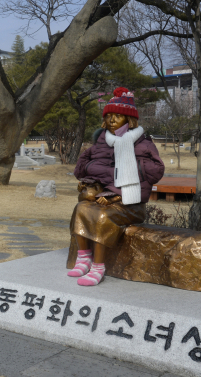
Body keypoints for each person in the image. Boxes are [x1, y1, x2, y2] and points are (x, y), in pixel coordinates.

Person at [68, 87, 164, 286]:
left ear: (129, 120)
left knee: (102, 217)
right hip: (103, 197)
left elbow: (154, 173)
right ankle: (84, 257)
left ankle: (98, 266)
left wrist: (117, 192)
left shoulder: (143, 143)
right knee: (81, 208)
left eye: (118, 116)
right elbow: (83, 167)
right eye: (109, 115)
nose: (112, 120)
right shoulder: (103, 141)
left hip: (131, 203)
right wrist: (96, 177)